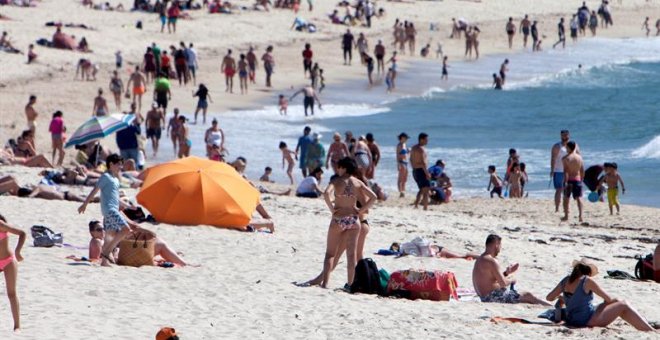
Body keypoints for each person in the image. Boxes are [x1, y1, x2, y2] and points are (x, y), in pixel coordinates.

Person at [546, 258, 655, 331]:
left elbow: (549, 297)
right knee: (623, 304)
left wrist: (563, 298)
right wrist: (611, 301)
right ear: (588, 272)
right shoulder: (587, 281)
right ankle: (649, 329)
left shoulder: (566, 280)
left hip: (572, 318)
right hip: (585, 320)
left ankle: (644, 324)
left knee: (616, 303)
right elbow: (608, 298)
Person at [317, 157, 376, 288]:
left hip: (339, 218)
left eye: (339, 167)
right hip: (354, 220)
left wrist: (332, 210)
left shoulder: (336, 181)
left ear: (344, 168)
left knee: (330, 254)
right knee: (351, 255)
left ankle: (325, 284)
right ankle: (350, 284)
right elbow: (373, 197)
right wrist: (361, 210)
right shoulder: (357, 182)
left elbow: (326, 194)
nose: (338, 169)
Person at [78, 154, 137, 266]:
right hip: (109, 210)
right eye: (118, 164)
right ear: (111, 164)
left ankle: (104, 262)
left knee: (110, 236)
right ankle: (106, 253)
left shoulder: (115, 179)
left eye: (121, 164)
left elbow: (116, 198)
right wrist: (85, 204)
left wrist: (129, 206)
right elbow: (95, 190)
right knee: (126, 229)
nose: (121, 167)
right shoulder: (105, 177)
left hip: (113, 209)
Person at [473, 234, 551, 305]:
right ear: (496, 245)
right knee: (528, 295)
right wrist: (512, 279)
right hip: (492, 298)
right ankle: (551, 307)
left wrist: (507, 273)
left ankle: (549, 305)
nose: (500, 249)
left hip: (484, 297)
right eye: (500, 246)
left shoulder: (480, 259)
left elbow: (491, 280)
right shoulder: (492, 261)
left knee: (524, 296)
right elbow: (503, 283)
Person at [0, 214, 25, 331]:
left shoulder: (1, 225)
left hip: (8, 261)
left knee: (11, 293)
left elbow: (22, 233)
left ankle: (17, 326)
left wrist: (18, 251)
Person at [551, 130, 577, 212]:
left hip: (570, 171)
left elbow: (578, 157)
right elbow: (553, 158)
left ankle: (566, 208)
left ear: (569, 135)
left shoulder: (574, 145)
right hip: (559, 171)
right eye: (563, 135)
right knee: (559, 189)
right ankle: (557, 208)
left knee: (568, 190)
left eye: (566, 135)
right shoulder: (557, 146)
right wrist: (552, 170)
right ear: (560, 136)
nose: (564, 137)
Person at [562, 141, 585, 222]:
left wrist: (565, 182)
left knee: (566, 198)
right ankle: (581, 215)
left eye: (566, 147)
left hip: (569, 180)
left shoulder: (566, 158)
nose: (565, 149)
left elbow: (566, 171)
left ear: (568, 148)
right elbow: (582, 170)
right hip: (577, 179)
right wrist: (581, 179)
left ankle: (566, 216)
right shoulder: (580, 157)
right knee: (579, 198)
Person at [411, 133, 430, 210]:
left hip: (415, 170)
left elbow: (411, 159)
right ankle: (425, 207)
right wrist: (427, 173)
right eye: (426, 139)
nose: (427, 141)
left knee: (421, 189)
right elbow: (423, 163)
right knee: (426, 190)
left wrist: (414, 167)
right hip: (421, 170)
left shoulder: (413, 148)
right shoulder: (421, 149)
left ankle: (416, 205)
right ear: (421, 139)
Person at [396, 132, 409, 198]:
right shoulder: (399, 145)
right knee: (400, 178)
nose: (407, 139)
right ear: (402, 138)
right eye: (406, 138)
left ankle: (403, 191)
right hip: (401, 162)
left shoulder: (404, 144)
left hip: (406, 162)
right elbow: (398, 155)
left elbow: (406, 153)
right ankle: (400, 192)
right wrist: (398, 164)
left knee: (405, 178)